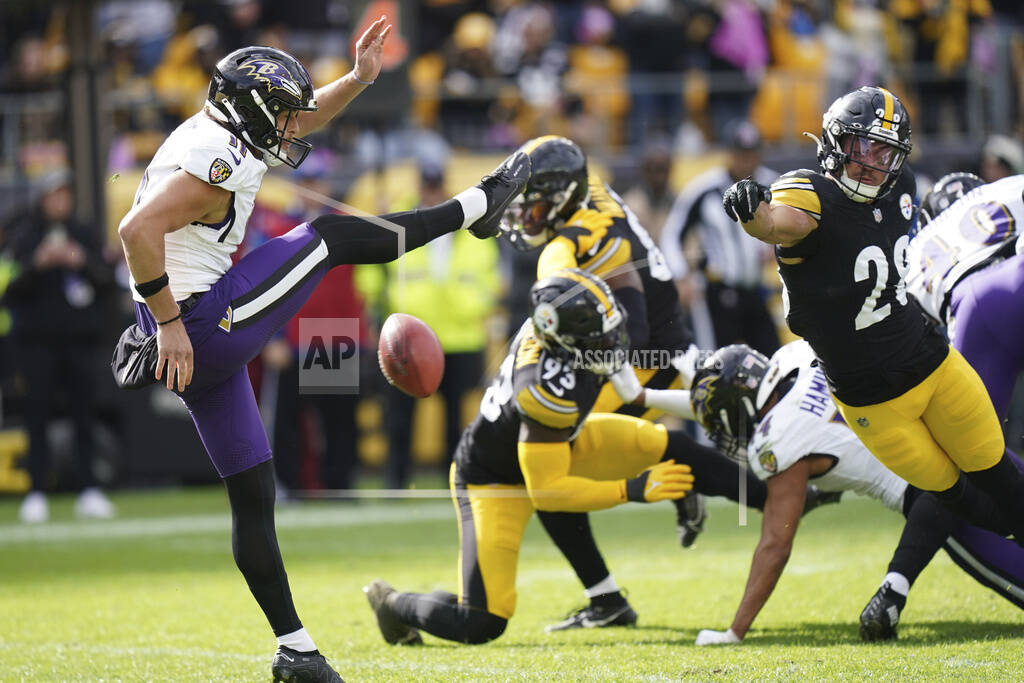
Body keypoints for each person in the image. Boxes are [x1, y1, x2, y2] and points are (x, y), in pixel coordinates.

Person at [113, 21, 532, 681]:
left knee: (254, 495)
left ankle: (296, 649)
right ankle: (476, 206)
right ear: (252, 112)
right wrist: (165, 322)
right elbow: (135, 229)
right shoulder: (217, 162)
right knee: (332, 236)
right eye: (280, 112)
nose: (293, 126)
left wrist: (361, 78)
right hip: (198, 323)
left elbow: (296, 121)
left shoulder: (224, 129)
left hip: (192, 323)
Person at [363, 268, 769, 646]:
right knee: (482, 620)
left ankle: (780, 498)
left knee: (669, 446)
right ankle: (393, 604)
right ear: (563, 341)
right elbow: (548, 492)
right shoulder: (542, 389)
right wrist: (632, 489)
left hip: (562, 443)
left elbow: (628, 390)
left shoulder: (569, 329)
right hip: (496, 480)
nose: (612, 341)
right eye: (600, 337)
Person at [722, 85, 1024, 545]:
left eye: (886, 152)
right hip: (871, 402)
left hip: (933, 362)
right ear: (834, 142)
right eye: (863, 146)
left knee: (999, 471)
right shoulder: (811, 193)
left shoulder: (902, 186)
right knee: (956, 495)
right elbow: (776, 222)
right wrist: (752, 214)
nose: (873, 162)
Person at [677, 341, 1024, 645]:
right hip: (961, 442)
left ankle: (895, 587)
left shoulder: (775, 440)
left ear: (741, 405)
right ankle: (895, 586)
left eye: (723, 423)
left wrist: (735, 631)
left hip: (936, 499)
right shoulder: (796, 356)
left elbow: (775, 545)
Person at [498, 135, 704, 630]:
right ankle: (607, 595)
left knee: (555, 459)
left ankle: (607, 593)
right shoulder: (588, 192)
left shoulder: (586, 232)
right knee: (548, 465)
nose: (526, 216)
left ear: (565, 196)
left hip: (649, 355)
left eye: (535, 205)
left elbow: (629, 326)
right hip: (652, 344)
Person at [357, 163, 501, 488]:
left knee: (455, 420)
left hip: (459, 337)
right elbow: (371, 267)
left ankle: (453, 481)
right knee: (400, 417)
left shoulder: (472, 231)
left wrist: (468, 307)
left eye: (437, 186)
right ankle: (396, 483)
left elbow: (490, 283)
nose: (432, 193)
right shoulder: (397, 221)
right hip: (409, 337)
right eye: (428, 186)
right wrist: (375, 301)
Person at [7, 170, 117, 523]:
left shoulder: (84, 233)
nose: (60, 202)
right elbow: (10, 291)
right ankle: (36, 492)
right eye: (53, 195)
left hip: (79, 344)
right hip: (37, 345)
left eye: (64, 194)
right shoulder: (23, 236)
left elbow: (106, 283)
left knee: (84, 415)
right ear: (42, 199)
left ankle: (89, 490)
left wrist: (80, 261)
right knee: (36, 417)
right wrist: (36, 265)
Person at [660, 120, 779, 354]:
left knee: (773, 360)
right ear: (729, 153)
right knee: (714, 363)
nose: (746, 161)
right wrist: (681, 275)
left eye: (751, 154)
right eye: (740, 154)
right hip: (717, 293)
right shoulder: (705, 189)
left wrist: (779, 248)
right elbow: (672, 234)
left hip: (756, 289)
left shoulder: (775, 185)